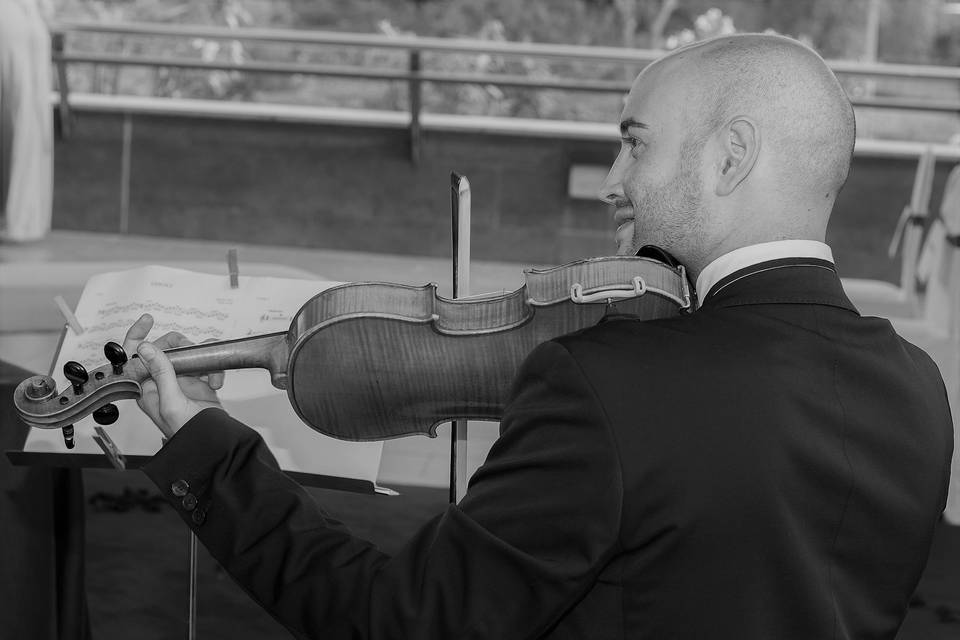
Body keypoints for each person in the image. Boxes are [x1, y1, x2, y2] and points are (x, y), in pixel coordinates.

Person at [123, 34, 953, 639]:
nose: (615, 184)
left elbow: (394, 623)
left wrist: (208, 448)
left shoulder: (609, 386)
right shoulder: (918, 389)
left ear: (730, 158)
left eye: (635, 144)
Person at [0, 0, 54, 242]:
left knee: (19, 119)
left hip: (16, 26)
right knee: (27, 120)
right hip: (30, 27)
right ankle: (21, 218)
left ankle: (16, 217)